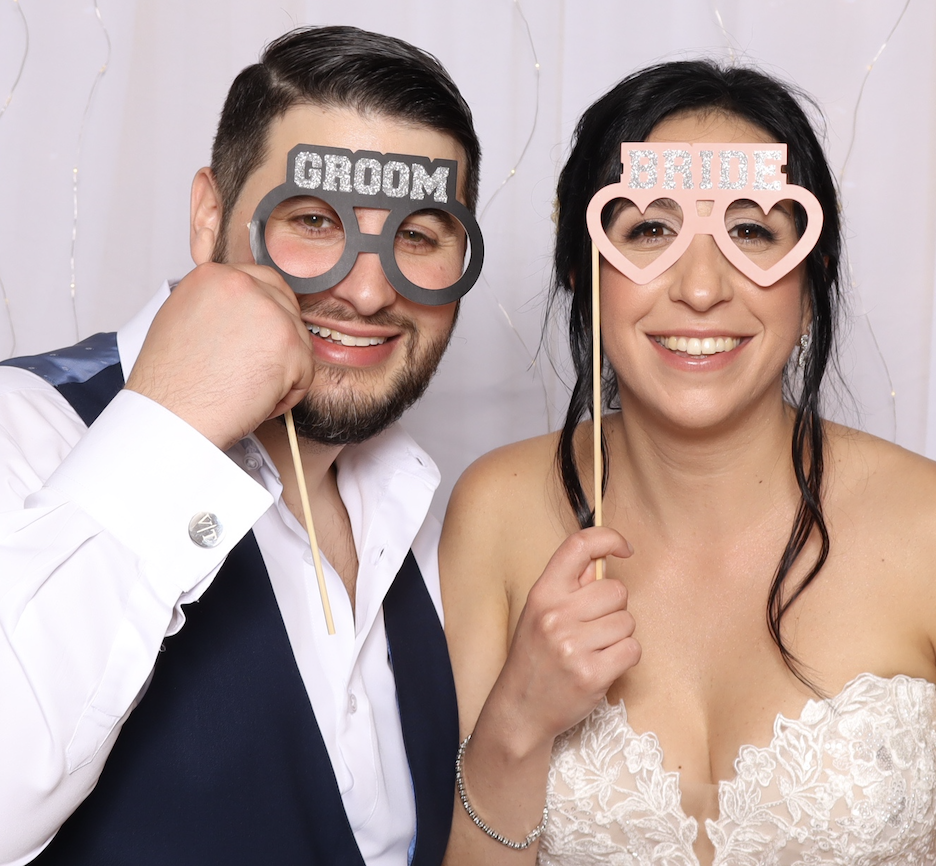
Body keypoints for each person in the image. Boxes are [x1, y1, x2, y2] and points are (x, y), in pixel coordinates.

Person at [0, 25, 481, 866]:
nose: (369, 290)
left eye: (417, 236)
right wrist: (175, 421)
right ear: (210, 217)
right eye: (314, 220)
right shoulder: (25, 430)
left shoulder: (432, 520)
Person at [440, 59, 936, 866]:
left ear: (810, 280)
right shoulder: (495, 509)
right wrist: (516, 726)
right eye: (649, 230)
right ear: (582, 270)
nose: (701, 289)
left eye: (751, 232)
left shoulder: (927, 527)